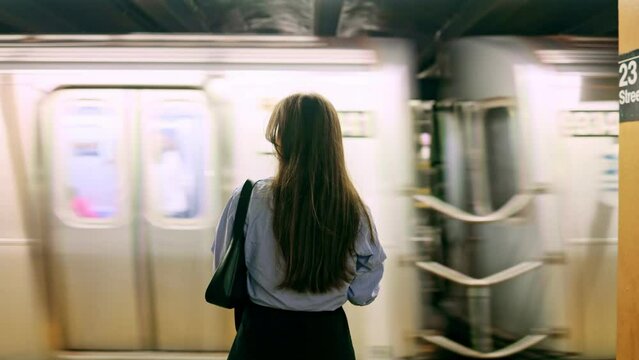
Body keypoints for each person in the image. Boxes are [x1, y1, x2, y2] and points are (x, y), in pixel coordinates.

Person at [212, 93, 386, 360]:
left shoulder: (248, 199)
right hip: (327, 341)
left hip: (261, 339)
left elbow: (223, 265)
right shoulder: (354, 209)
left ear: (281, 140)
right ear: (333, 142)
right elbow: (363, 293)